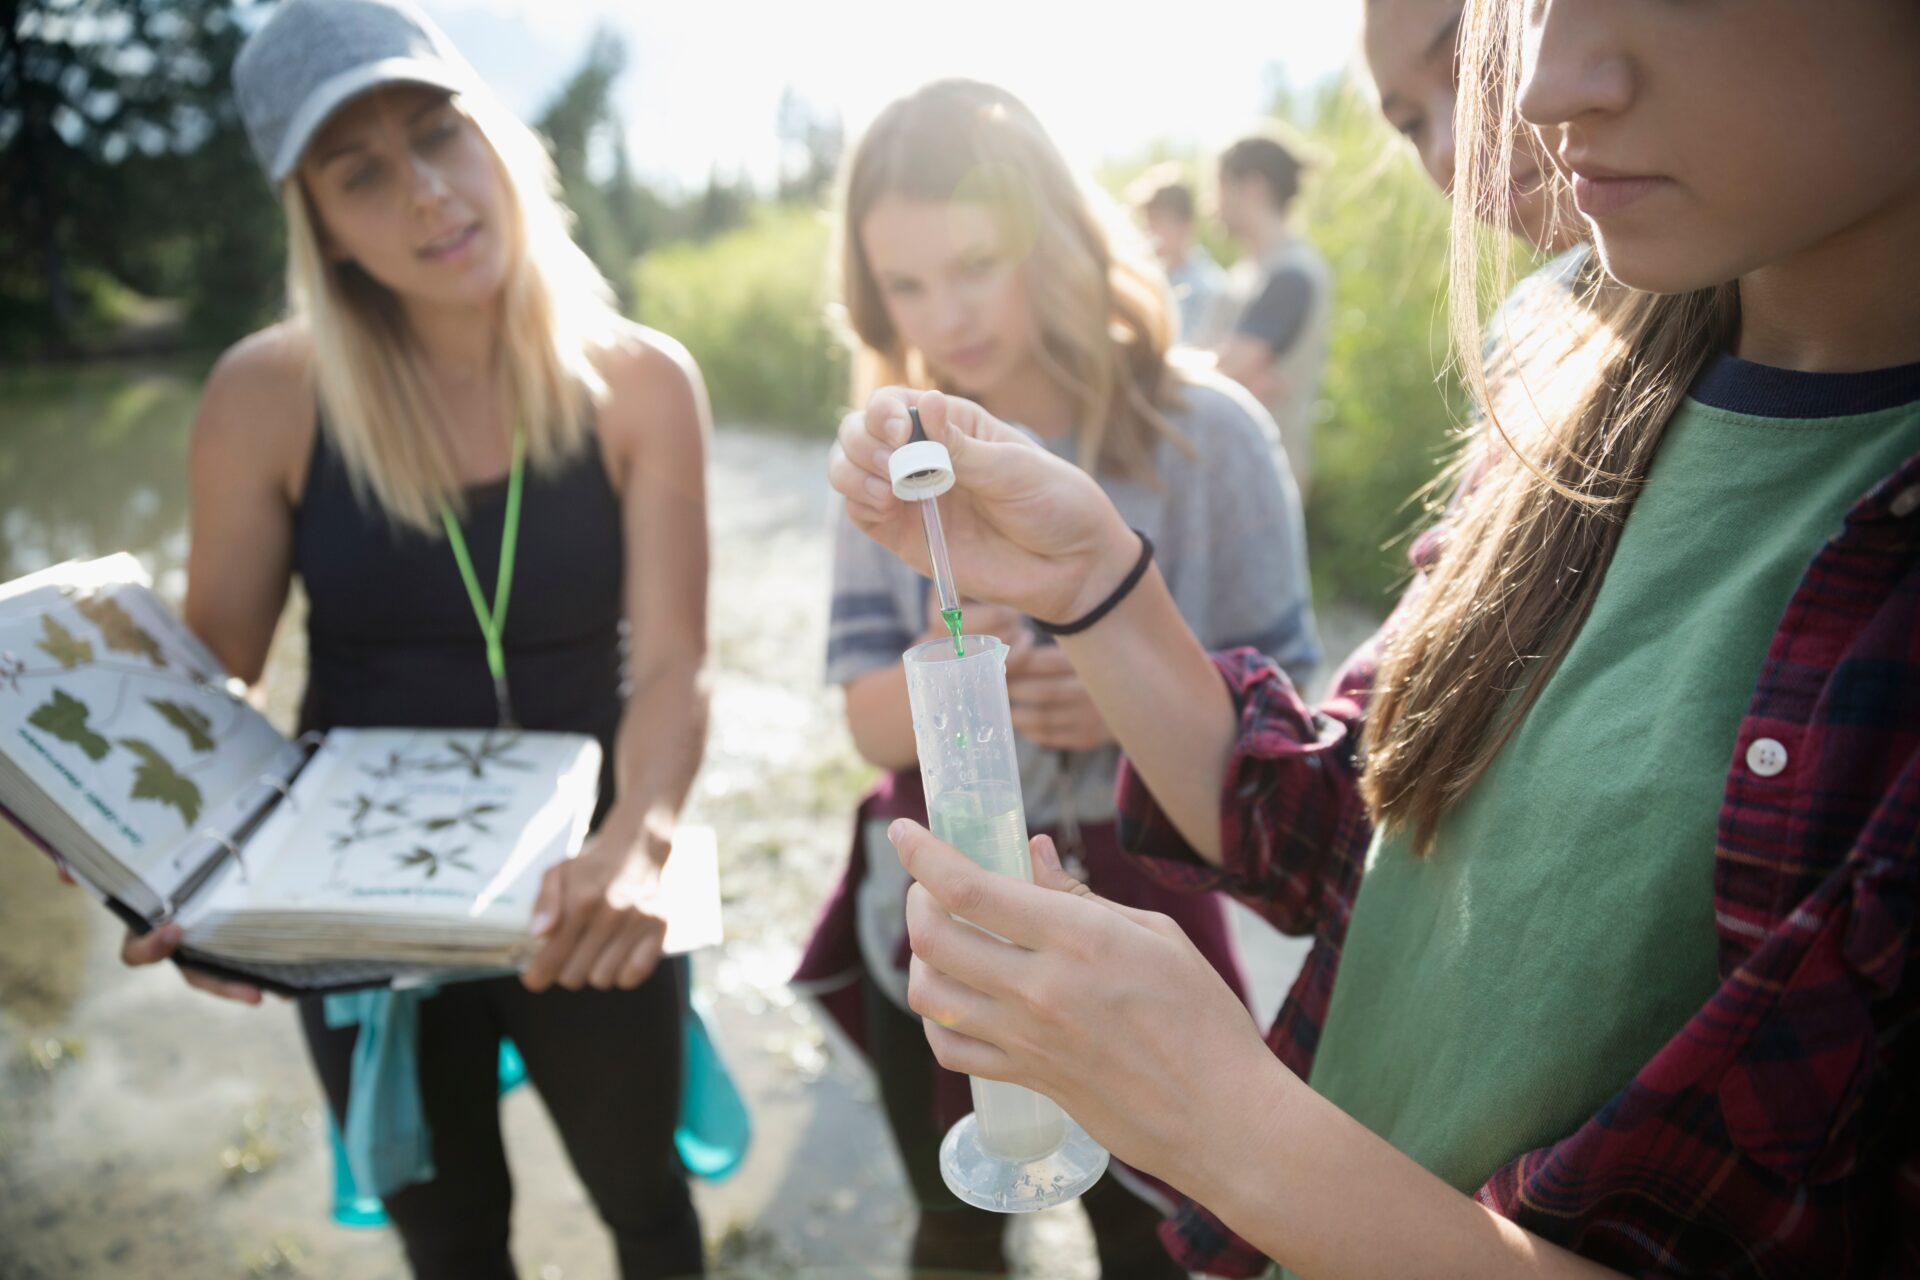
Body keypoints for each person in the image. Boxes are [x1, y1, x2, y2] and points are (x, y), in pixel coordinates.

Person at [827, 0, 1920, 1274]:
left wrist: (1222, 1118)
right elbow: (1370, 831)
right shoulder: (1567, 378)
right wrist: (1096, 583)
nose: (1546, 81)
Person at [105, 2, 712, 1275]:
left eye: (440, 134)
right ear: (314, 218)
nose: (427, 193)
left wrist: (641, 841)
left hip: (583, 884)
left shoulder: (641, 380)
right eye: (361, 172)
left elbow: (671, 663)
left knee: (644, 1200)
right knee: (451, 1244)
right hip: (352, 900)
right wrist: (147, 852)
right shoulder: (262, 395)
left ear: (498, 138)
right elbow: (211, 670)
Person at [793, 78, 1319, 1278]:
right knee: (955, 1225)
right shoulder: (888, 468)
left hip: (1147, 893)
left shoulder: (1209, 436)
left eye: (976, 262)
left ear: (1058, 233)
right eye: (907, 286)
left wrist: (1127, 678)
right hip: (942, 907)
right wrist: (960, 659)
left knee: (1162, 1232)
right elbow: (869, 718)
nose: (947, 313)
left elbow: (1294, 702)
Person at [1210, 129, 1333, 496]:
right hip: (1234, 479)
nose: (1210, 204)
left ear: (1253, 187)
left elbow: (1223, 374)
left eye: (1217, 187)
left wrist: (1217, 368)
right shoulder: (1248, 274)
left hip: (1258, 486)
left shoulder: (1291, 274)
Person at [1128, 164, 1230, 346]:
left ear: (1185, 224)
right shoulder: (1152, 281)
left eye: (1159, 221)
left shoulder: (1207, 288)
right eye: (1148, 222)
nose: (1150, 232)